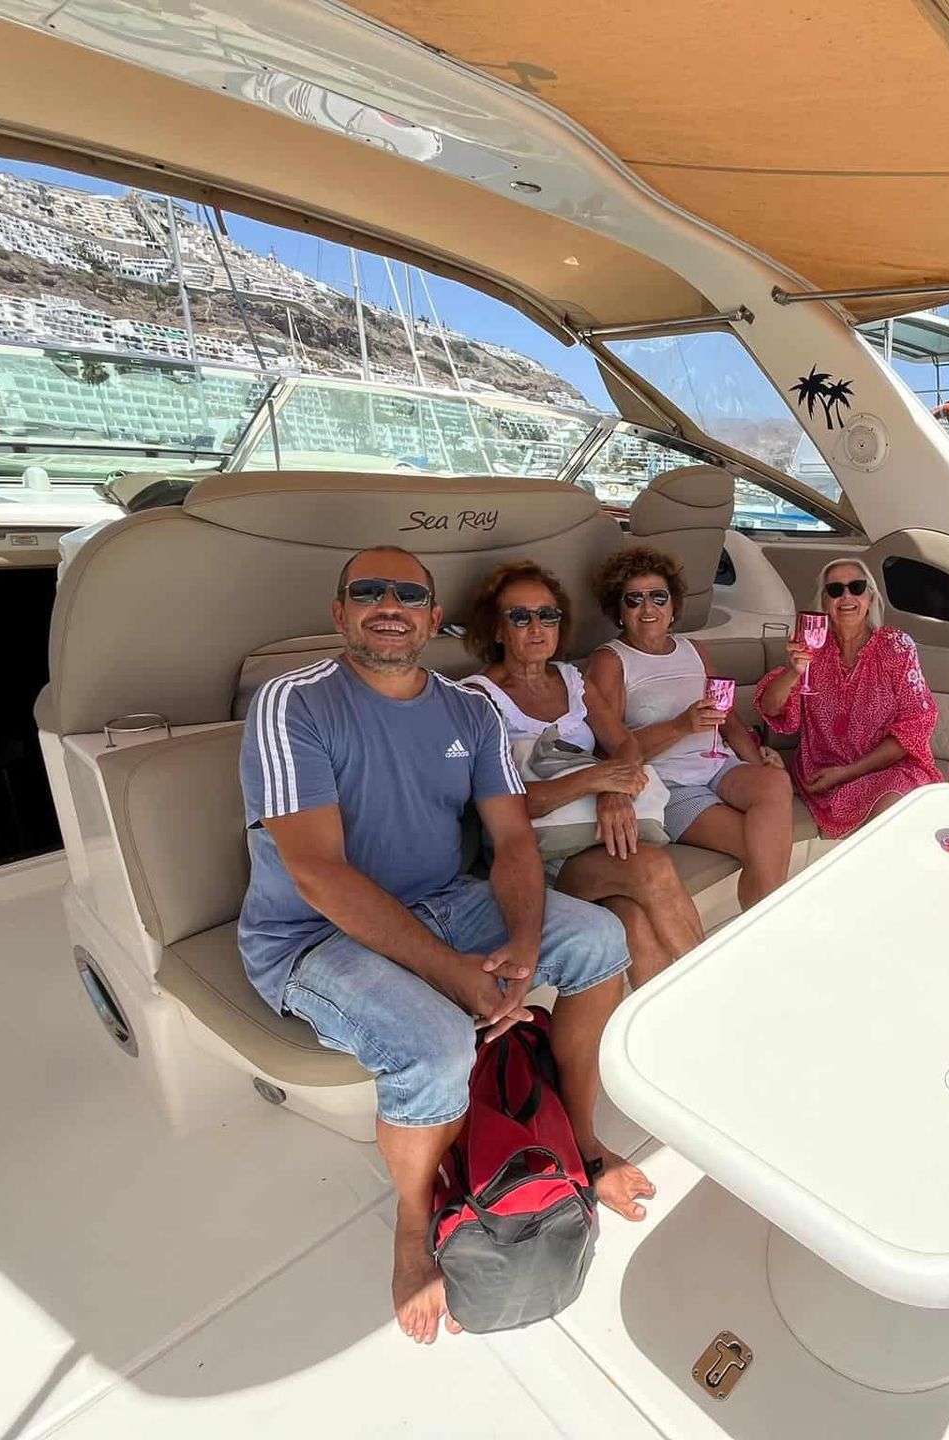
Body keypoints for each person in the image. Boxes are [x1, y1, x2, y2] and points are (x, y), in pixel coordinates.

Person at [237, 545, 654, 1348]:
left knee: (599, 940)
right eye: (368, 591)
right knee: (435, 1048)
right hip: (311, 934)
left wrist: (523, 944)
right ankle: (411, 1225)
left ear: (433, 619)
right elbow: (318, 873)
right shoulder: (293, 702)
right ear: (340, 612)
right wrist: (455, 975)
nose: (388, 605)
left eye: (408, 594)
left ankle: (580, 1139)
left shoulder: (469, 711)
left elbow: (513, 838)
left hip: (446, 901)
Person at [457, 560, 704, 987]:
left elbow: (625, 745)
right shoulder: (477, 698)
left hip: (596, 836)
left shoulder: (573, 681)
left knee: (632, 917)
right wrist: (596, 780)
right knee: (651, 867)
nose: (537, 627)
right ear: (497, 630)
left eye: (547, 615)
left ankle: (670, 1022)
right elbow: (505, 804)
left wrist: (615, 792)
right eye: (520, 617)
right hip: (534, 856)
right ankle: (713, 994)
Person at [586, 545, 796, 910]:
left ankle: (767, 921)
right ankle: (768, 923)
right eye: (634, 599)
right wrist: (680, 727)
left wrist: (758, 762)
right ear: (618, 610)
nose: (648, 608)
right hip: (668, 784)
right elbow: (607, 752)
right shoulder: (611, 660)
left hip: (719, 766)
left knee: (776, 782)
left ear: (673, 606)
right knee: (761, 846)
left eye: (658, 597)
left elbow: (730, 722)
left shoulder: (694, 650)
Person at [756, 558, 943, 837]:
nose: (846, 596)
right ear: (824, 602)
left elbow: (914, 726)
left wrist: (847, 772)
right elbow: (770, 708)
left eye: (856, 587)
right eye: (835, 590)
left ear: (870, 597)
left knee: (893, 806)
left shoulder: (895, 647)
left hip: (886, 769)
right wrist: (794, 671)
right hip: (823, 772)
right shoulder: (813, 649)